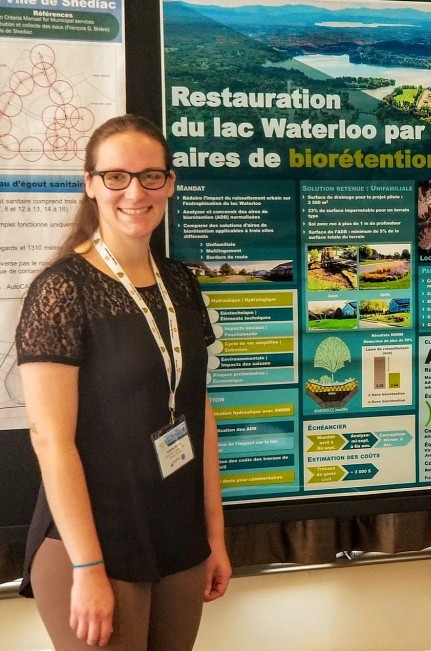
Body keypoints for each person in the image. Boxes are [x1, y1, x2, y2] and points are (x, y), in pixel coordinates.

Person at [15, 114, 231, 649]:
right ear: (91, 185)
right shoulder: (61, 290)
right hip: (93, 545)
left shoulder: (181, 282)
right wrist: (87, 568)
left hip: (178, 538)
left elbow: (198, 413)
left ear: (170, 183)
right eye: (115, 176)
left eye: (150, 175)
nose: (134, 191)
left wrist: (215, 538)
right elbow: (50, 439)